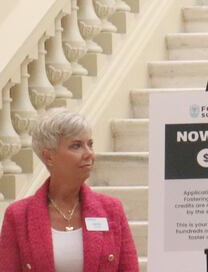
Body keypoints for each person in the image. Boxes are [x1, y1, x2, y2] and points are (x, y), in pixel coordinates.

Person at [0, 110, 139, 272]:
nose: (89, 153)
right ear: (49, 156)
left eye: (90, 144)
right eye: (76, 146)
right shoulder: (18, 216)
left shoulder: (111, 209)